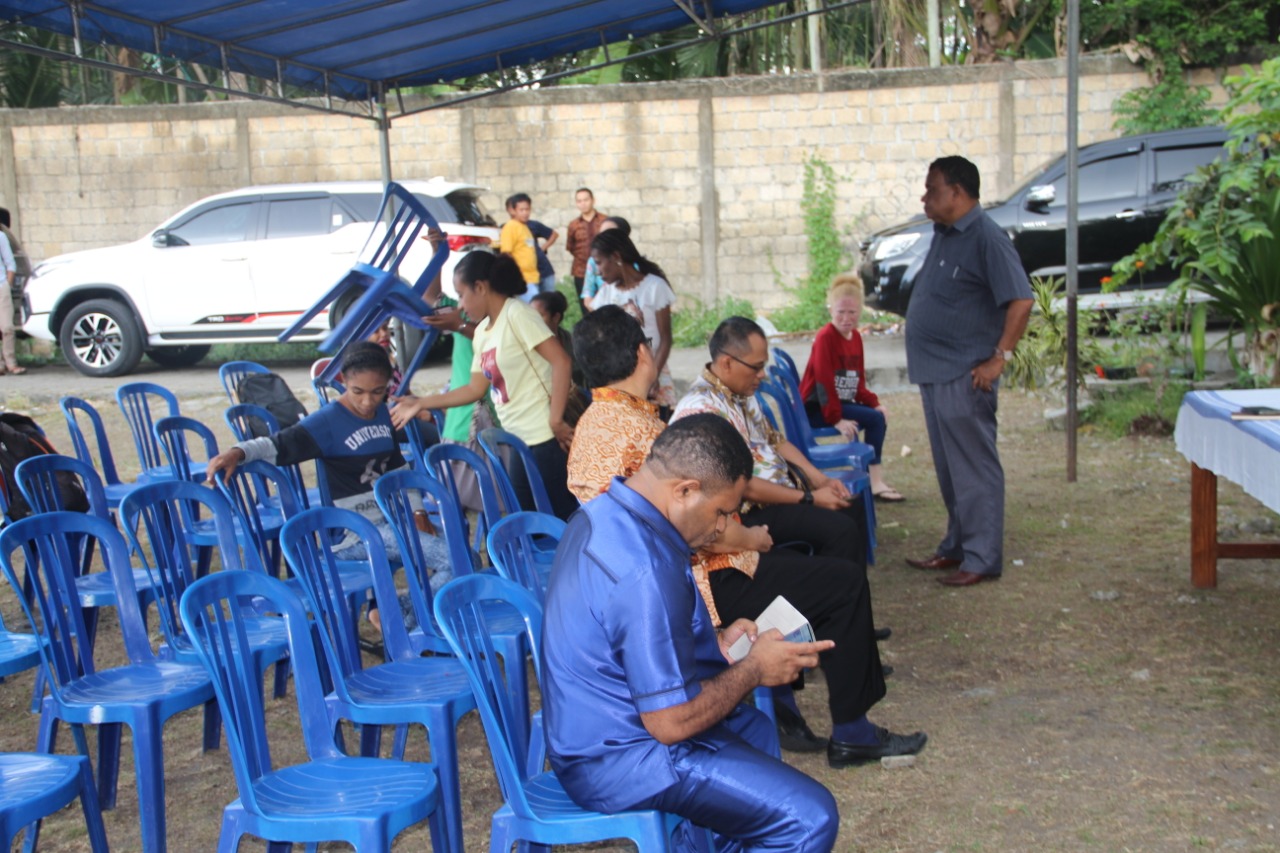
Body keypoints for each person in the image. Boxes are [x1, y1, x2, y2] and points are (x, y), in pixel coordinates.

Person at [568, 306, 927, 767]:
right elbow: (690, 527)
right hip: (692, 589)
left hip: (655, 584)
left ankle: (786, 698)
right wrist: (749, 540)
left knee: (825, 566)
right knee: (843, 584)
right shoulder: (644, 431)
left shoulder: (596, 425)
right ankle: (851, 730)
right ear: (643, 351)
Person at [543, 413, 840, 852]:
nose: (723, 527)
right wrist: (755, 670)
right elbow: (670, 722)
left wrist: (714, 641)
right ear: (684, 490)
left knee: (755, 729)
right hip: (621, 758)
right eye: (722, 512)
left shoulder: (605, 511)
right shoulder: (646, 571)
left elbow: (622, 643)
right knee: (810, 818)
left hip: (591, 730)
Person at [205, 341, 455, 588]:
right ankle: (400, 618)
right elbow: (276, 444)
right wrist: (237, 452)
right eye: (358, 391)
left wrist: (418, 512)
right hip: (351, 534)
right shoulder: (327, 422)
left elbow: (398, 471)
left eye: (377, 392)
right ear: (343, 380)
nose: (368, 401)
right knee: (454, 561)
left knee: (463, 557)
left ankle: (394, 614)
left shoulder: (383, 414)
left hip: (391, 520)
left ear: (388, 385)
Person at [904, 155, 1033, 587]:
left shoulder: (986, 237)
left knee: (974, 468)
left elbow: (1021, 300)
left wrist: (1000, 357)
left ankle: (981, 557)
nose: (925, 197)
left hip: (965, 372)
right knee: (949, 468)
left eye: (932, 189)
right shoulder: (945, 233)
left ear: (957, 192)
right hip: (935, 371)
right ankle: (956, 547)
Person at [671, 317, 870, 575]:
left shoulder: (741, 391)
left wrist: (820, 481)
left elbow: (776, 441)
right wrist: (810, 498)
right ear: (727, 363)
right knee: (840, 530)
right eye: (756, 367)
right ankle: (838, 592)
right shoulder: (702, 410)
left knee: (850, 506)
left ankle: (843, 594)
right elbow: (743, 487)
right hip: (750, 513)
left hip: (782, 493)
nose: (762, 375)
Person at [391, 251, 579, 520]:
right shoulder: (481, 333)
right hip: (516, 439)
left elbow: (561, 361)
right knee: (531, 524)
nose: (460, 304)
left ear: (480, 288)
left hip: (545, 438)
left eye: (461, 294)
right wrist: (421, 402)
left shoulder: (517, 314)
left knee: (562, 520)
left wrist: (556, 420)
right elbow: (474, 389)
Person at [799, 273, 903, 501]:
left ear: (860, 312)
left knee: (877, 416)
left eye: (852, 312)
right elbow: (824, 384)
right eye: (841, 312)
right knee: (874, 421)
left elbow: (857, 384)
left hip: (838, 404)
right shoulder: (825, 338)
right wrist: (836, 419)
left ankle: (870, 476)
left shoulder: (855, 337)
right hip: (817, 408)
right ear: (831, 311)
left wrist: (875, 403)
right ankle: (875, 481)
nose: (846, 318)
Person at [590, 229, 676, 417]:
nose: (598, 271)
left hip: (656, 374)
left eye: (599, 262)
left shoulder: (654, 287)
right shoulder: (606, 294)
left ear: (616, 257)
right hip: (622, 382)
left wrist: (653, 376)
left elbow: (665, 339)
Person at [564, 187, 606, 307]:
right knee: (586, 307)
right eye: (579, 201)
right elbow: (571, 247)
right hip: (581, 271)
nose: (583, 204)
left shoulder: (604, 220)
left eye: (586, 200)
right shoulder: (573, 225)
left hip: (605, 270)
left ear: (593, 200)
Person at [497, 193, 541, 300]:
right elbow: (506, 254)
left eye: (527, 209)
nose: (525, 213)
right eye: (521, 210)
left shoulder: (524, 227)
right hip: (523, 279)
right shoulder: (511, 226)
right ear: (513, 211)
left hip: (532, 277)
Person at [579, 215, 627, 311]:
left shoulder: (632, 264)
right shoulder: (593, 262)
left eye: (609, 233)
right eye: (601, 233)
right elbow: (588, 297)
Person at [0, 226, 22, 375]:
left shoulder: (1, 236)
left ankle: (11, 363)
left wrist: (8, 283)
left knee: (7, 327)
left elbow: (10, 263)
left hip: (1, 286)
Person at [527, 217, 559, 296]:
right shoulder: (510, 228)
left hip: (544, 270)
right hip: (528, 274)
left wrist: (543, 248)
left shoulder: (532, 225)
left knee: (549, 301)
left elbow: (553, 234)